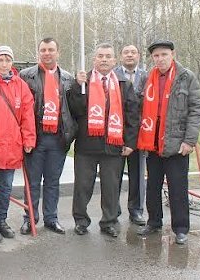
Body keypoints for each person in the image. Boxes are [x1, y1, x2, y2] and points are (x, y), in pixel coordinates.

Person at [68, 43, 140, 238]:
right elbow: (75, 110)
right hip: (87, 144)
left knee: (110, 187)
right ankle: (81, 221)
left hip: (113, 145)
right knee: (82, 186)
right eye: (100, 56)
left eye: (108, 56)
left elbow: (133, 116)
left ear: (114, 61)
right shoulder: (83, 82)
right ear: (94, 60)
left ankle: (109, 221)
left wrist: (130, 143)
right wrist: (77, 87)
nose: (104, 59)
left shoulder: (124, 85)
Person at [136, 40, 200, 245]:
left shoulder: (186, 77)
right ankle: (154, 222)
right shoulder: (148, 78)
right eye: (156, 56)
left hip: (177, 145)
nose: (160, 59)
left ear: (172, 54)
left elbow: (196, 110)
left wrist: (189, 140)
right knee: (153, 187)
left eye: (164, 54)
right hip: (153, 144)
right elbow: (140, 108)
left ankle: (181, 228)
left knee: (178, 189)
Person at [0, 46, 36, 243]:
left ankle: (2, 220)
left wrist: (28, 139)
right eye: (0, 59)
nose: (4, 63)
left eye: (7, 60)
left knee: (6, 187)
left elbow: (27, 115)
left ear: (12, 62)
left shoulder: (20, 85)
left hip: (12, 144)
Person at [19, 38, 77, 235]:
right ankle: (30, 218)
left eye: (51, 49)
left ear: (57, 52)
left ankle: (51, 218)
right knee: (33, 182)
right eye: (43, 50)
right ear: (39, 53)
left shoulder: (68, 79)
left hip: (58, 139)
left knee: (52, 182)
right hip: (36, 137)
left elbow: (74, 110)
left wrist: (70, 133)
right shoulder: (26, 76)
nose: (47, 53)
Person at [113, 44, 148, 225]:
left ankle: (136, 211)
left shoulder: (147, 77)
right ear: (120, 56)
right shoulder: (112, 75)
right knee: (114, 174)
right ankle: (113, 210)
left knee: (137, 174)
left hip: (139, 133)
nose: (129, 55)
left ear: (139, 56)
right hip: (116, 131)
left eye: (133, 52)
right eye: (126, 52)